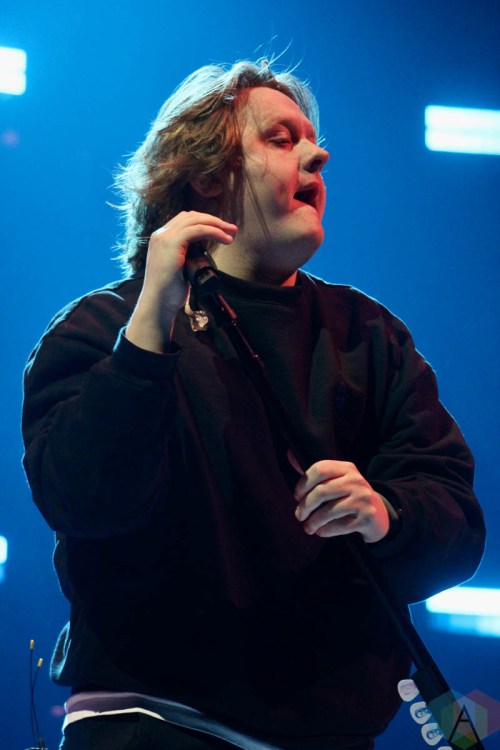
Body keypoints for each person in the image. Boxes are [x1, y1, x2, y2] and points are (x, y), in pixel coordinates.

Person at [22, 60, 486, 750]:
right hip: (152, 723)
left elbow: (458, 525)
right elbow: (82, 499)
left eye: (314, 141)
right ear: (208, 177)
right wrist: (148, 335)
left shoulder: (370, 337)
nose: (318, 155)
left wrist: (387, 514)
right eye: (282, 138)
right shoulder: (101, 328)